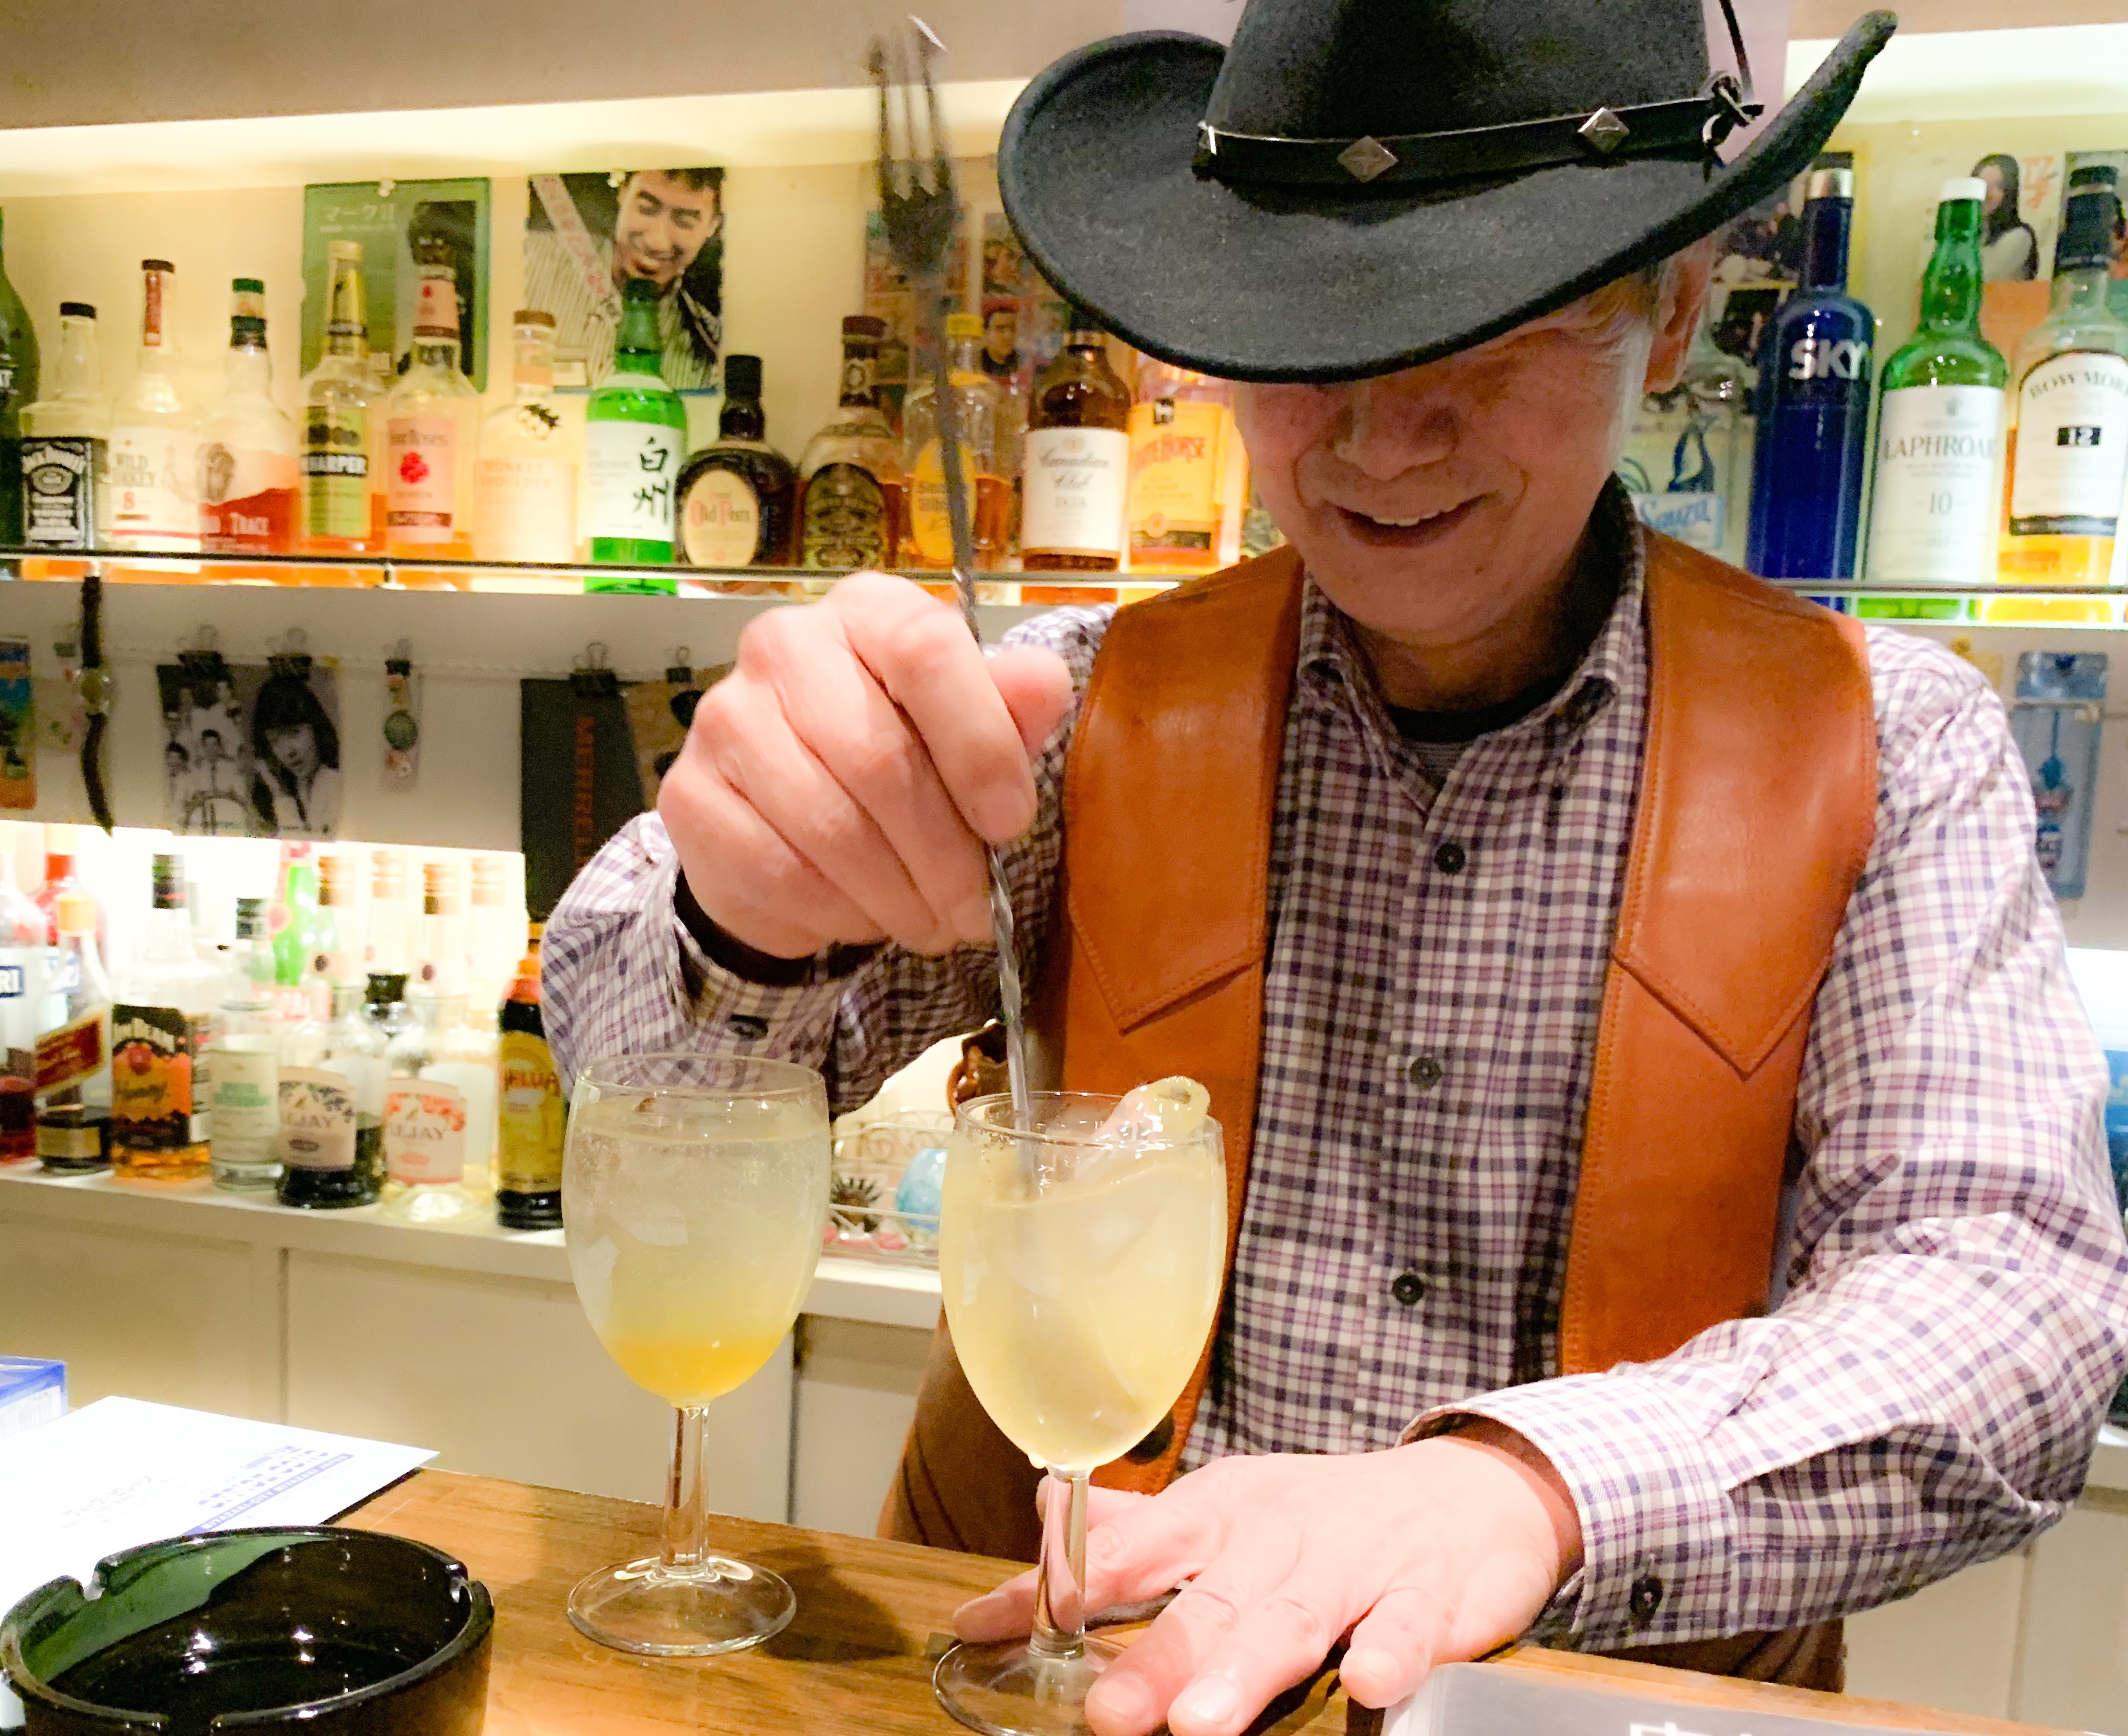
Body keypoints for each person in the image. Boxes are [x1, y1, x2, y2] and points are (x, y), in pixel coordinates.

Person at [543, 3, 2128, 1733]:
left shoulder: (1888, 744)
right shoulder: (1077, 709)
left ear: (1670, 308)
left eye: (1499, 326)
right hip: (1050, 1669)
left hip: (1588, 1706)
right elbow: (623, 1049)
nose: (1379, 438)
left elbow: (2013, 1299)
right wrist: (741, 909)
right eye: (1305, 337)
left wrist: (1521, 1484)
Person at [524, 168, 724, 390]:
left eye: (684, 222)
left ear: (713, 225)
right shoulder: (526, 261)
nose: (657, 241)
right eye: (646, 209)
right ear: (623, 192)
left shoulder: (712, 350)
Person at [248, 674, 341, 839]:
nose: (289, 751)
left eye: (294, 733)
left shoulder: (331, 782)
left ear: (315, 729)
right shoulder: (298, 785)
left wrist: (280, 796)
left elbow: (299, 846)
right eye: (274, 740)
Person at [1975, 152, 2040, 282]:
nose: (1987, 194)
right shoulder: (1968, 234)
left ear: (2009, 193)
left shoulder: (2018, 237)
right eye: (1982, 185)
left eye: (1998, 186)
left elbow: (1982, 281)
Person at [978, 298, 1022, 383]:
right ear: (986, 332)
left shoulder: (1020, 363)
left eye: (1012, 329)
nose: (1008, 336)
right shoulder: (977, 363)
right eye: (1000, 329)